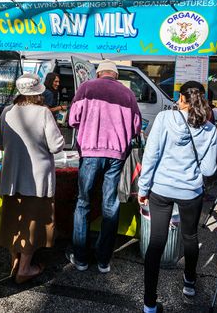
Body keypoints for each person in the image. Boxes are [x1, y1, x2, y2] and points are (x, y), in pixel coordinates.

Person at [137, 81, 217, 312]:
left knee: (156, 242)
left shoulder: (164, 119)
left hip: (160, 190)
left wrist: (143, 189)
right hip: (190, 191)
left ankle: (149, 303)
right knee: (190, 237)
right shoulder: (210, 128)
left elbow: (151, 156)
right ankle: (189, 284)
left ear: (181, 98)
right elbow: (209, 170)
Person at [67, 59, 141, 273]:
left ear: (98, 74)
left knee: (83, 202)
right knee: (110, 204)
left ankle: (80, 258)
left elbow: (73, 119)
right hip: (116, 155)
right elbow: (136, 127)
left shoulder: (86, 88)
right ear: (116, 75)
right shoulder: (128, 94)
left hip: (90, 152)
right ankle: (103, 260)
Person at [0, 73, 65, 284]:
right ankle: (24, 268)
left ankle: (14, 262)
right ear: (39, 92)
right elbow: (56, 145)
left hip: (12, 178)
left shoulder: (7, 111)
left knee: (12, 221)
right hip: (36, 179)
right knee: (33, 223)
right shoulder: (43, 113)